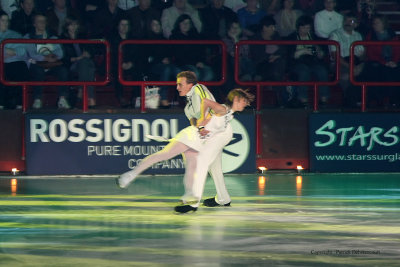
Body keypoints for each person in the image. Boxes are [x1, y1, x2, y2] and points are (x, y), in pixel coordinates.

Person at [117, 71, 215, 205]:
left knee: (191, 164)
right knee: (167, 155)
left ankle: (188, 194)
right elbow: (193, 120)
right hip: (195, 134)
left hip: (203, 134)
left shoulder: (199, 89)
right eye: (177, 85)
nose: (177, 87)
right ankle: (130, 175)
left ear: (190, 85)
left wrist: (203, 124)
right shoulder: (188, 107)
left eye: (180, 84)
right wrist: (199, 126)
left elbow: (208, 105)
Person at [175, 87, 254, 213]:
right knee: (208, 169)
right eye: (244, 101)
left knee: (207, 168)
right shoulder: (222, 109)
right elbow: (205, 101)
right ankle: (215, 199)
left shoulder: (227, 111)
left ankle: (202, 202)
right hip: (213, 141)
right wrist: (201, 124)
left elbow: (208, 116)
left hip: (216, 141)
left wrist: (203, 124)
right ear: (236, 100)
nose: (247, 104)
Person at [24, 13, 70, 109]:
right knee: (38, 71)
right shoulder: (28, 37)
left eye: (44, 21)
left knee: (63, 71)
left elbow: (60, 52)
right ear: (34, 24)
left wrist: (54, 57)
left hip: (52, 64)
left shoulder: (52, 36)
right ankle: (38, 100)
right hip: (36, 64)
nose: (42, 23)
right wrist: (45, 58)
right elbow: (32, 54)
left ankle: (62, 99)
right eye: (39, 21)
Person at [286, 15, 330, 107]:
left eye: (308, 28)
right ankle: (303, 99)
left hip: (312, 62)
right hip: (297, 63)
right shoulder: (291, 37)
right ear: (298, 27)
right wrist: (303, 51)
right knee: (304, 71)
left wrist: (319, 52)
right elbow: (290, 55)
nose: (306, 30)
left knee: (322, 71)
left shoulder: (314, 37)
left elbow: (321, 55)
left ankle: (324, 99)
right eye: (303, 27)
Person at [362, 15, 400, 108]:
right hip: (377, 61)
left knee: (395, 71)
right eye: (374, 23)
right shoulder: (370, 36)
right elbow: (371, 54)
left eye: (377, 23)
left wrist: (394, 61)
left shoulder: (392, 35)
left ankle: (394, 100)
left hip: (391, 61)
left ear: (383, 23)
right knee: (376, 71)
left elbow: (397, 50)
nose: (374, 25)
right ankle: (378, 100)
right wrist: (384, 63)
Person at [329, 13, 364, 107]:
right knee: (345, 75)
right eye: (346, 20)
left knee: (368, 71)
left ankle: (367, 101)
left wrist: (359, 66)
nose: (348, 23)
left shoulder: (358, 35)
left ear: (356, 24)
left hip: (356, 61)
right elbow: (335, 55)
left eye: (351, 21)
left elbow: (361, 54)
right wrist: (350, 66)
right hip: (340, 62)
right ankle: (352, 102)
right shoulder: (335, 34)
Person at [250, 16, 287, 106]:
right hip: (261, 65)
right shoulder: (256, 38)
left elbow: (283, 50)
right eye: (271, 27)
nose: (274, 29)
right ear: (264, 28)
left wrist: (276, 56)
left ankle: (279, 98)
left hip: (275, 64)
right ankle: (280, 98)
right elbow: (257, 55)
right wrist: (270, 56)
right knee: (276, 68)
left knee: (278, 64)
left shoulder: (276, 36)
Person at [61, 15, 96, 108]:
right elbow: (65, 58)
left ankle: (81, 91)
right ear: (66, 26)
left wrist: (88, 54)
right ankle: (90, 98)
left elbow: (91, 50)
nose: (73, 27)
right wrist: (79, 58)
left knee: (86, 64)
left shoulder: (82, 36)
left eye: (75, 25)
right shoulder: (62, 38)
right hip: (72, 64)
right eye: (71, 25)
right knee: (89, 66)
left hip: (83, 63)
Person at [169, 14, 214, 81]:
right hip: (182, 64)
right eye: (183, 23)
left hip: (197, 63)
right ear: (179, 24)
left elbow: (201, 51)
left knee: (209, 73)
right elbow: (178, 55)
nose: (185, 25)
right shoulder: (174, 37)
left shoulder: (196, 36)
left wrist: (200, 61)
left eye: (188, 23)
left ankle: (198, 90)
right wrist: (195, 63)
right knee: (195, 73)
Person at [0, 10, 29, 110]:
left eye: (7, 20)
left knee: (20, 67)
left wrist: (4, 50)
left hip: (14, 62)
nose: (6, 23)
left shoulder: (15, 35)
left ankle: (20, 105)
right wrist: (7, 50)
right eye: (3, 20)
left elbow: (22, 51)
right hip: (2, 63)